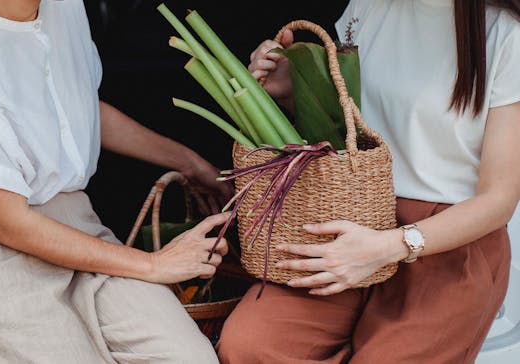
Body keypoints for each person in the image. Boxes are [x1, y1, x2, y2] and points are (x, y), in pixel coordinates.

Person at [0, 0, 233, 363]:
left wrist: (190, 163)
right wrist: (153, 264)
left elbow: (76, 107)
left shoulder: (63, 7)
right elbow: (9, 225)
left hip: (74, 226)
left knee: (187, 358)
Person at [218, 0, 520, 363]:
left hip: (446, 247)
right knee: (250, 345)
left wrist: (390, 245)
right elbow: (351, 125)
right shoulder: (369, 5)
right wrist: (288, 88)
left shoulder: (507, 37)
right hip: (351, 219)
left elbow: (499, 200)